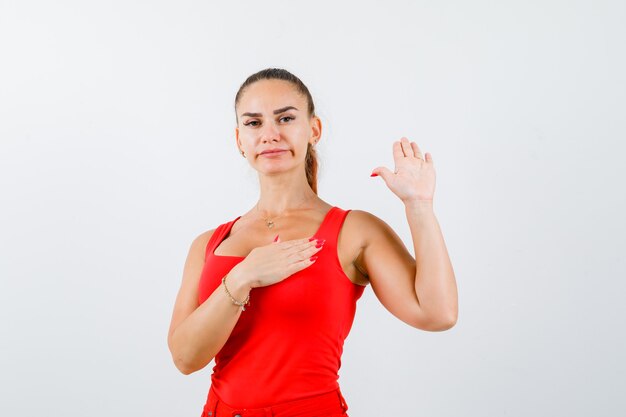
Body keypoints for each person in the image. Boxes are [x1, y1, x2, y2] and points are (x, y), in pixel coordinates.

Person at [167, 68, 458, 417]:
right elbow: (185, 358)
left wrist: (419, 207)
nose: (270, 134)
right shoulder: (208, 245)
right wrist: (243, 277)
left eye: (286, 118)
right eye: (253, 123)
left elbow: (437, 313)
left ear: (313, 129)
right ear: (238, 139)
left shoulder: (354, 231)